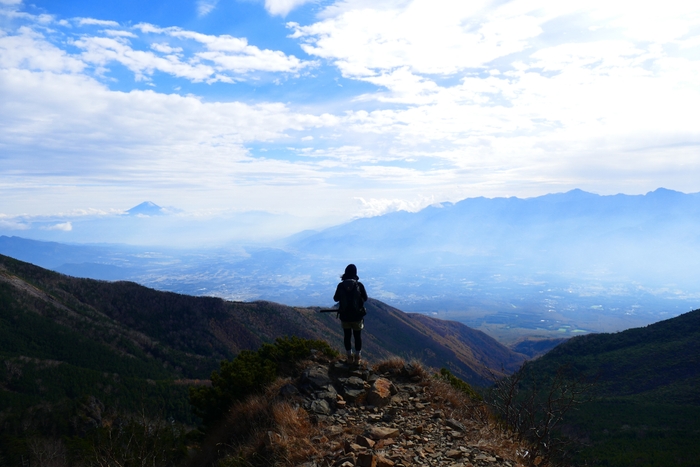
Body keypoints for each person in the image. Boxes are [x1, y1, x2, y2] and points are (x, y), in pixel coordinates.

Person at [333, 264, 368, 364]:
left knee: (347, 336)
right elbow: (365, 298)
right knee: (357, 336)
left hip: (345, 316)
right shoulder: (359, 285)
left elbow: (335, 298)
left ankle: (349, 357)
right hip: (357, 316)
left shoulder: (341, 285)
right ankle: (358, 358)